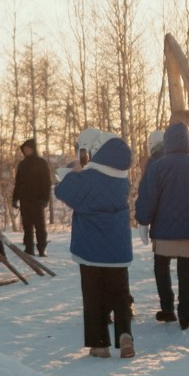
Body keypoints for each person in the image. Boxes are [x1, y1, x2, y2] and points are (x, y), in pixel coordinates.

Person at [57, 132, 135, 357]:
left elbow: (62, 191)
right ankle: (125, 334)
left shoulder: (89, 177)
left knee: (93, 295)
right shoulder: (121, 177)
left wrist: (73, 173)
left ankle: (100, 344)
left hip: (90, 248)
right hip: (118, 248)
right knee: (120, 292)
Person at [135, 120, 189, 329]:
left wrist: (144, 220)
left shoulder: (159, 167)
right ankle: (185, 316)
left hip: (163, 231)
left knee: (161, 267)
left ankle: (167, 308)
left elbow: (148, 196)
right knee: (186, 273)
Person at [12, 137, 52, 257]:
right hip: (25, 200)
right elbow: (18, 182)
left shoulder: (41, 163)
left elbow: (46, 182)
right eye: (24, 149)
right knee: (27, 226)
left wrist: (45, 198)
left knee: (40, 226)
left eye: (28, 149)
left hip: (38, 200)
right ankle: (29, 248)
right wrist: (15, 198)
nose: (26, 151)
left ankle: (41, 248)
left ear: (33, 149)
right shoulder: (22, 164)